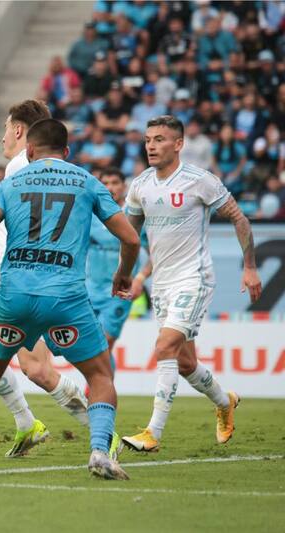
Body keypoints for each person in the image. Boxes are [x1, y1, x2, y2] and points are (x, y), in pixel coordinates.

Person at [0, 119, 140, 479]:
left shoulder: (9, 183)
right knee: (99, 374)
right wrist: (123, 274)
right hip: (65, 297)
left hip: (15, 295)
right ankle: (99, 451)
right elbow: (130, 239)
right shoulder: (86, 181)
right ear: (66, 152)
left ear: (29, 150)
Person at [0, 101, 95, 461]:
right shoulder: (44, 169)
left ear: (19, 131)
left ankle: (103, 434)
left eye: (6, 127)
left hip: (23, 283)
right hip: (18, 281)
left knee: (37, 369)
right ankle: (27, 423)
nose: (3, 135)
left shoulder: (20, 166)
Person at [121, 115, 262, 453]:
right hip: (163, 284)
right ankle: (224, 400)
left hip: (194, 279)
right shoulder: (140, 185)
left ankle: (152, 433)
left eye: (159, 139)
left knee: (164, 347)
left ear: (179, 144)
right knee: (184, 363)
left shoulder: (201, 181)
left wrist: (250, 266)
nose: (151, 146)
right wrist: (126, 273)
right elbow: (130, 237)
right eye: (148, 139)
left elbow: (239, 217)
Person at [86, 168, 147, 357]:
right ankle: (99, 386)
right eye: (105, 183)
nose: (110, 187)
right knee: (93, 349)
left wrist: (140, 278)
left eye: (114, 183)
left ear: (124, 186)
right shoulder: (90, 215)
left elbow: (156, 253)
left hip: (118, 291)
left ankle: (96, 387)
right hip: (89, 289)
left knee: (104, 344)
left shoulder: (135, 216)